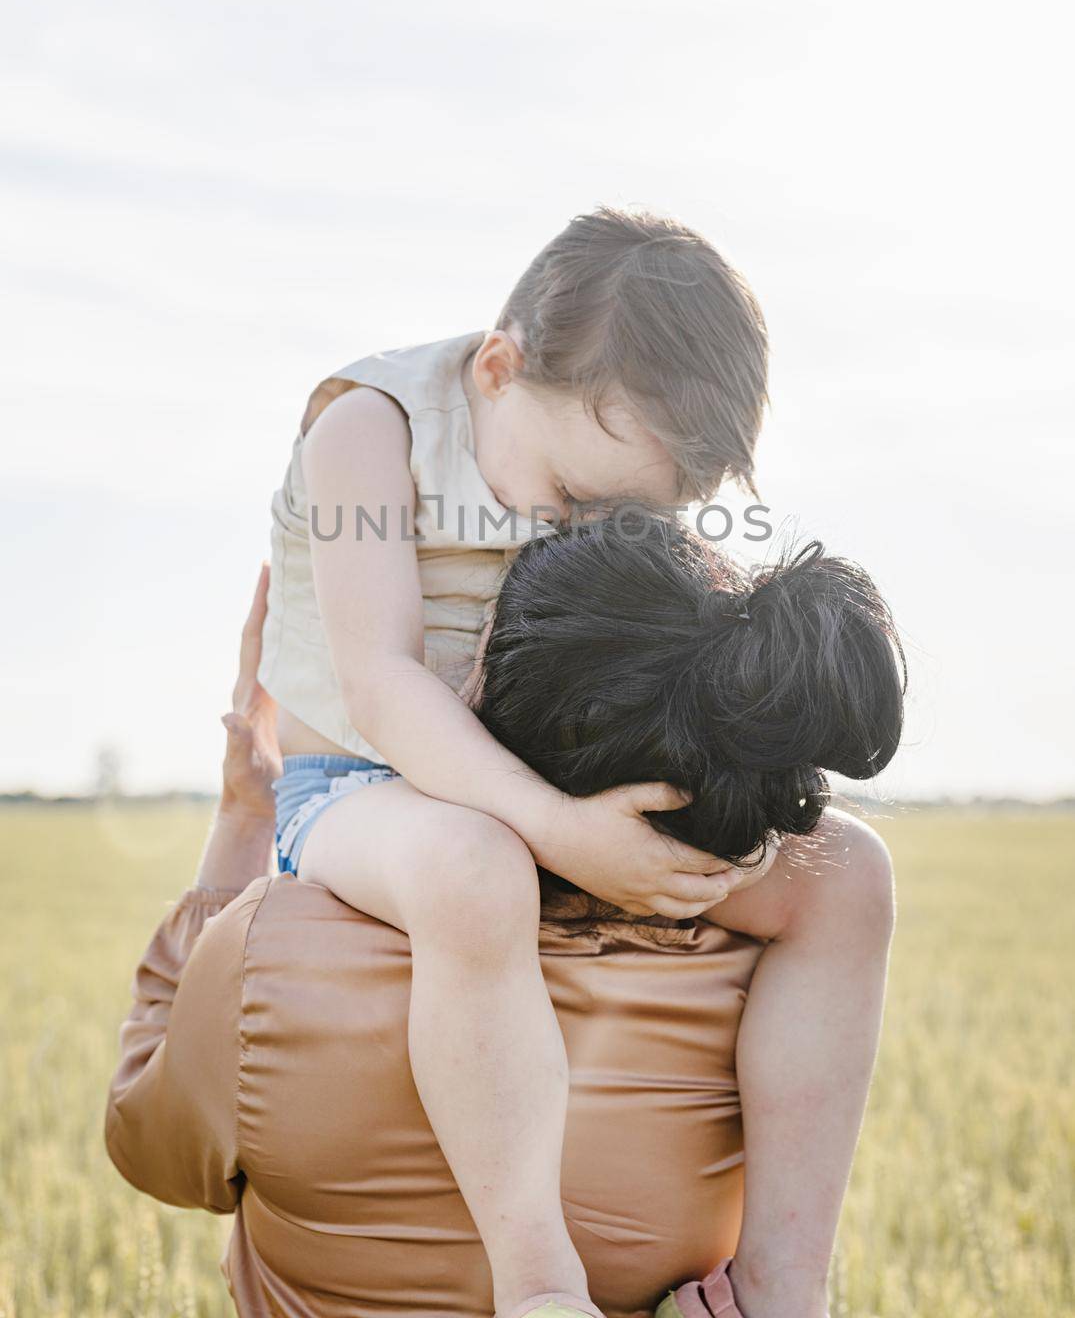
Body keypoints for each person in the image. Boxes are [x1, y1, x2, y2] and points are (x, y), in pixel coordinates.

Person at [255, 206, 894, 1318]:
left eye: (631, 517)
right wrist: (559, 827)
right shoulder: (366, 429)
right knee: (473, 866)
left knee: (850, 877)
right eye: (577, 499)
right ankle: (539, 1278)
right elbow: (384, 683)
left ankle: (784, 1280)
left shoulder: (543, 431)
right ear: (499, 368)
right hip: (366, 790)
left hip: (558, 783)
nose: (586, 529)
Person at [106, 522, 901, 1318]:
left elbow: (150, 1148)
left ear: (485, 696)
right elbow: (842, 877)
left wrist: (245, 820)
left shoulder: (271, 954)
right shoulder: (775, 959)